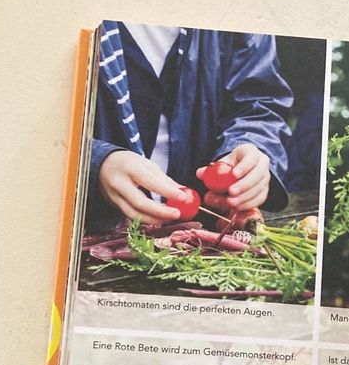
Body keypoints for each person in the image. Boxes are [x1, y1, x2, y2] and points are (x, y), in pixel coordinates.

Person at [87, 22, 294, 233]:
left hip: (207, 234)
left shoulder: (240, 5)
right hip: (93, 234)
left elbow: (259, 103)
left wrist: (252, 151)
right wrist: (94, 162)